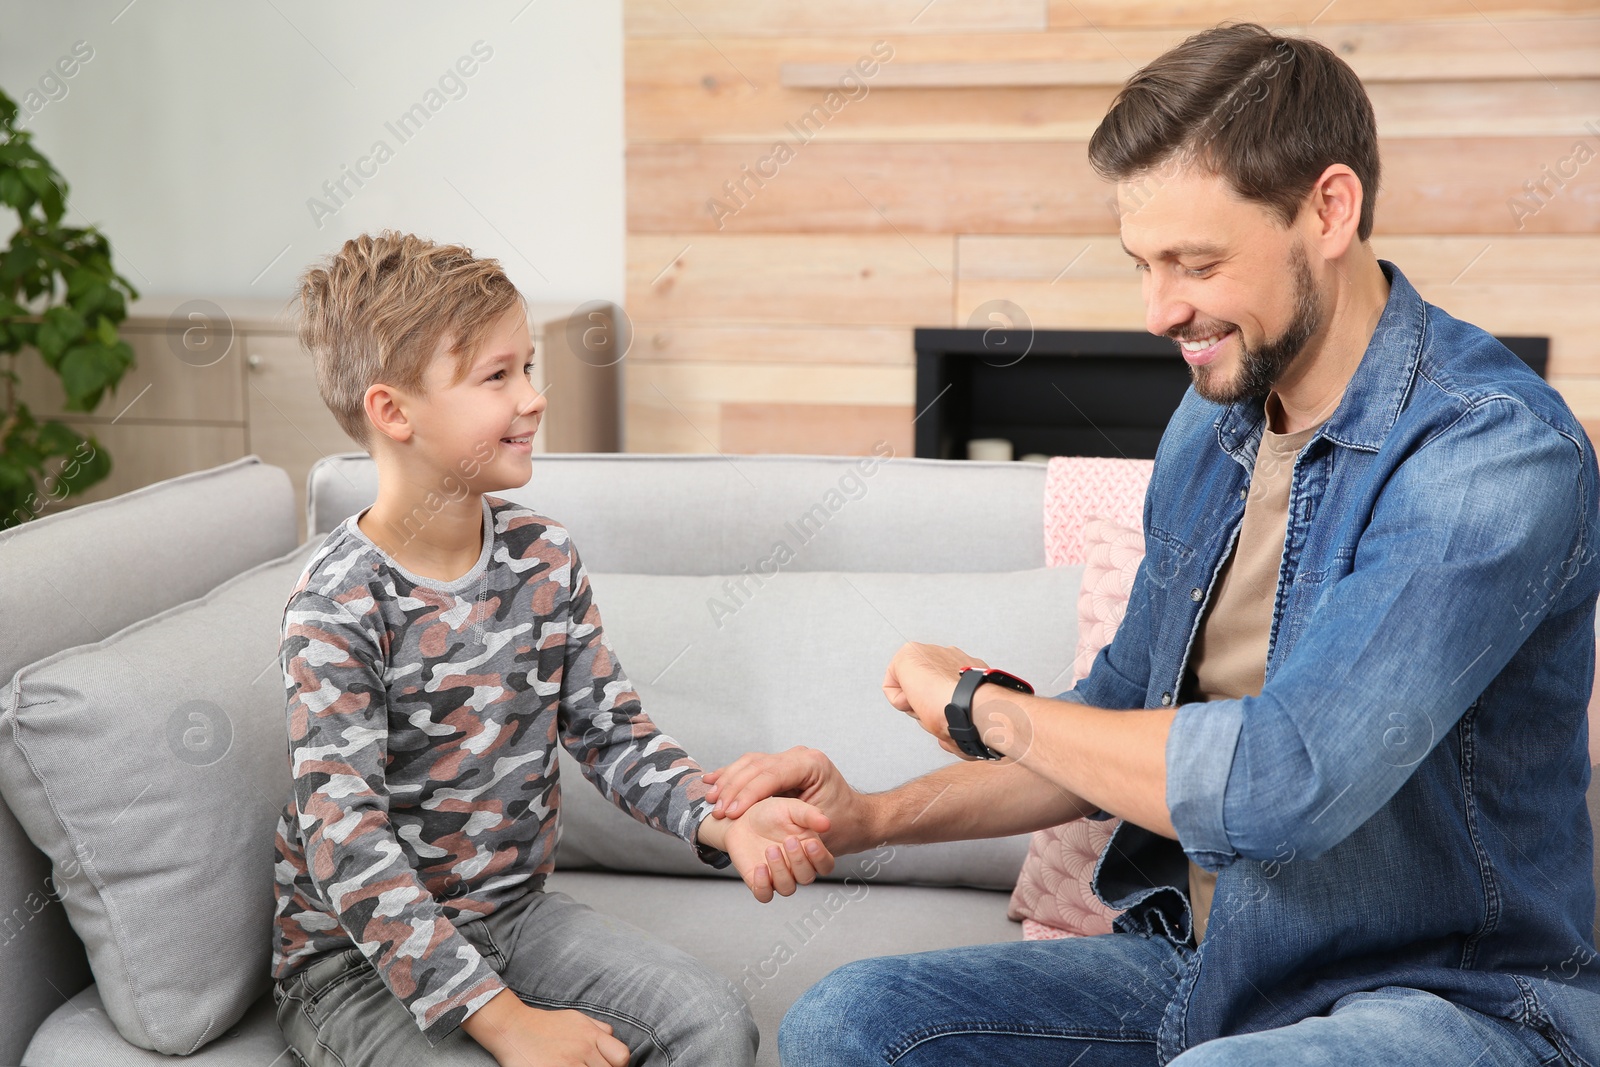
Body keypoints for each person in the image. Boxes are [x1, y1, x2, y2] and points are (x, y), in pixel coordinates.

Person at [706, 21, 1600, 1067]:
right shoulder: (1211, 421)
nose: (1158, 308)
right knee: (849, 1019)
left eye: (1195, 261)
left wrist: (980, 703)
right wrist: (868, 816)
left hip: (1445, 997)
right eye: (1141, 262)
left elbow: (1290, 778)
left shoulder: (1490, 452)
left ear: (1329, 208)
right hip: (1212, 970)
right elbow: (1114, 720)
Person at [268, 231, 836, 1067]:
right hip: (354, 963)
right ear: (394, 412)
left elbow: (611, 733)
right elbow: (346, 839)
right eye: (498, 376)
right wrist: (505, 1021)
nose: (533, 398)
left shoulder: (544, 556)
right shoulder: (339, 603)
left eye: (528, 367)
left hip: (513, 914)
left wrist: (724, 822)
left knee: (712, 1022)